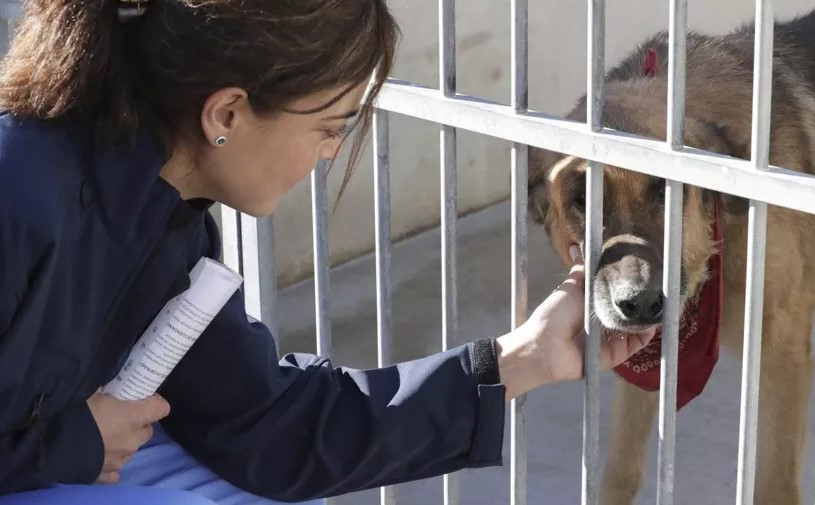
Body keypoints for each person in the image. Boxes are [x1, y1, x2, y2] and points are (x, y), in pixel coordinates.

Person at [0, 1, 656, 504]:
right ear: (226, 113)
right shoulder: (18, 187)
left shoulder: (167, 217)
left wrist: (519, 360)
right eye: (327, 126)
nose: (331, 152)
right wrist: (71, 442)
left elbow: (267, 425)